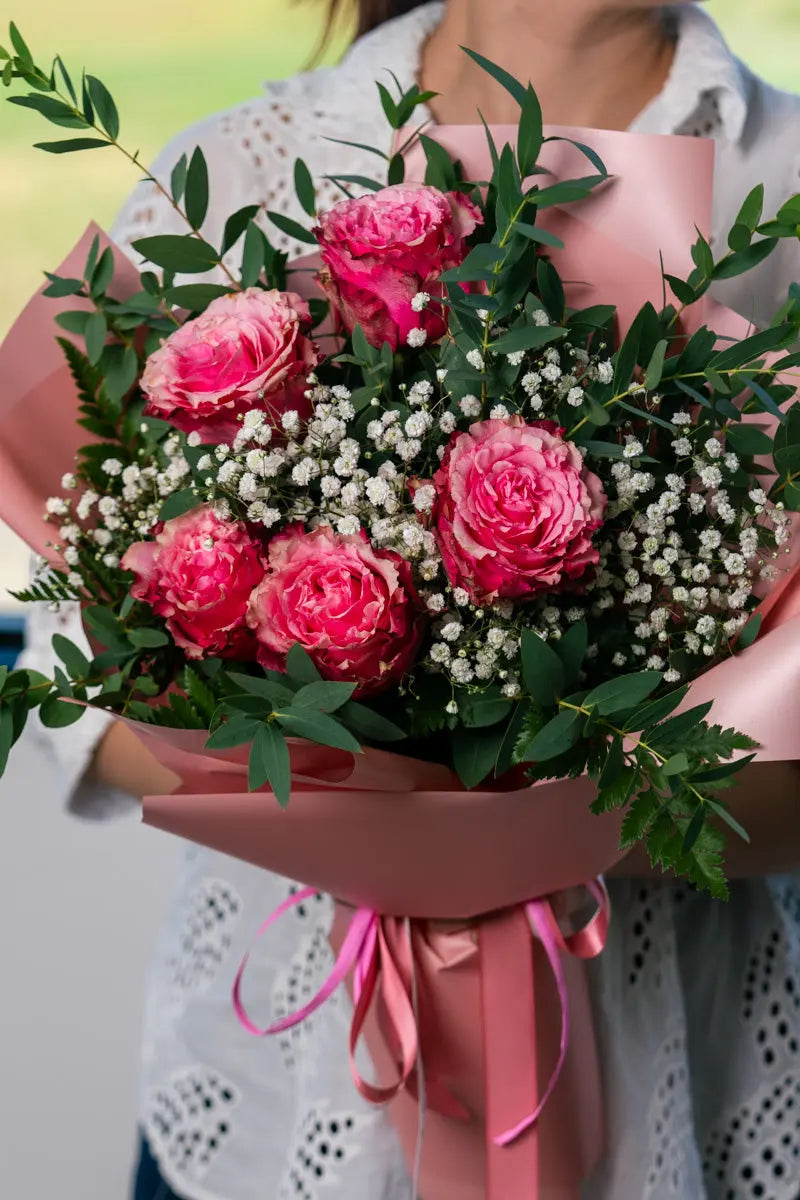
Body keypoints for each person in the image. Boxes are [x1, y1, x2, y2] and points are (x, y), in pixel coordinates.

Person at [18, 3, 800, 1198]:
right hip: (271, 1115)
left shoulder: (782, 183)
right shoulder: (236, 166)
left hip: (682, 1087)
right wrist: (377, 807)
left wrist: (552, 820)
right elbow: (89, 693)